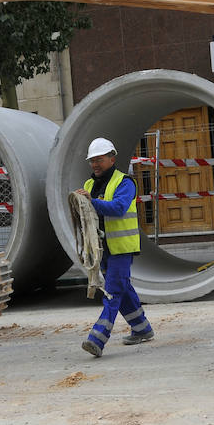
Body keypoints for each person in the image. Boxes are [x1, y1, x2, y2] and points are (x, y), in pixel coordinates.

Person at [75, 137, 154, 357]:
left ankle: (97, 339)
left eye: (99, 159)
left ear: (112, 158)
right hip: (102, 249)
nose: (94, 165)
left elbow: (119, 208)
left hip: (121, 247)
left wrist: (92, 201)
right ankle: (142, 328)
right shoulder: (90, 184)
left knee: (112, 292)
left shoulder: (125, 183)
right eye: (92, 161)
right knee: (122, 288)